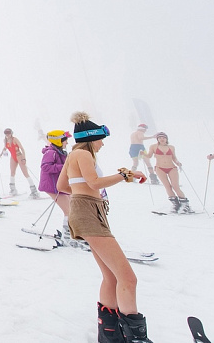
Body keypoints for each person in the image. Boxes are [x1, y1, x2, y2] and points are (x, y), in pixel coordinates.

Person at [56, 112, 153, 343]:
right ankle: (135, 338)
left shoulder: (73, 155)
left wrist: (83, 195)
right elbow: (95, 183)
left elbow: (61, 185)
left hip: (86, 210)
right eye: (100, 140)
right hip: (89, 213)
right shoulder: (84, 154)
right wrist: (122, 175)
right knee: (128, 278)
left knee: (111, 277)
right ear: (91, 138)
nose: (102, 144)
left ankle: (110, 335)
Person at [39, 130, 75, 243]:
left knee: (72, 209)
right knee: (69, 211)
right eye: (65, 141)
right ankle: (67, 237)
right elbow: (45, 167)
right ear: (58, 141)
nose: (67, 143)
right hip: (52, 185)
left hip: (59, 185)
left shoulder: (59, 152)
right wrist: (63, 166)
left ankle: (71, 234)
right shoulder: (51, 153)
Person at [148, 132, 191, 213]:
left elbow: (174, 158)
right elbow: (149, 156)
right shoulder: (153, 146)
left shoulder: (171, 147)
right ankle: (175, 204)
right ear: (157, 139)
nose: (162, 139)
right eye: (160, 138)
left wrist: (178, 163)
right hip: (160, 168)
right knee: (167, 186)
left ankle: (185, 205)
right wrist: (143, 154)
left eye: (163, 137)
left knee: (175, 186)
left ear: (166, 139)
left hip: (171, 167)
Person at [0, 128, 39, 198]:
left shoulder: (15, 139)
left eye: (8, 133)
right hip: (13, 157)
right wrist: (0, 155)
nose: (7, 135)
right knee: (12, 173)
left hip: (19, 156)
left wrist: (24, 158)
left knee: (25, 173)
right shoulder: (5, 140)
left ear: (11, 133)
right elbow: (5, 148)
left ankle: (34, 191)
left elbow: (22, 148)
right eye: (6, 133)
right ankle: (13, 190)